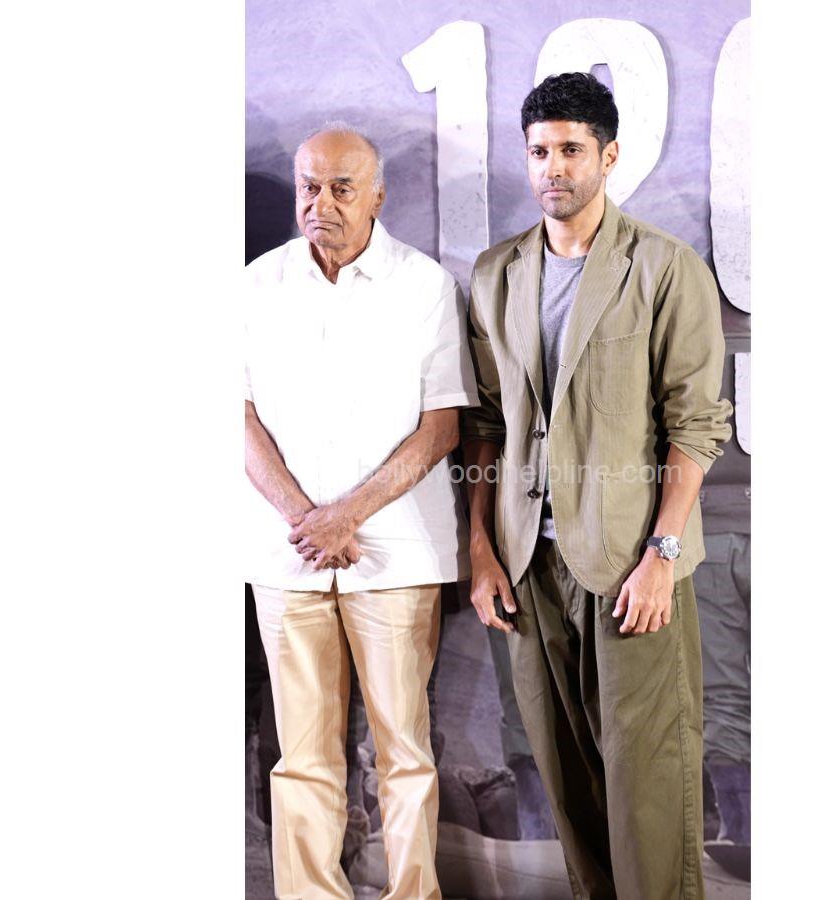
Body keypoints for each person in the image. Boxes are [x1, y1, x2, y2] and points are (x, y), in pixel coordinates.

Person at [462, 73, 733, 899]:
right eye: (540, 151)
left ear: (608, 157)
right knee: (567, 781)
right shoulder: (496, 274)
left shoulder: (664, 267)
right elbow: (485, 424)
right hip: (528, 567)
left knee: (647, 785)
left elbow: (696, 425)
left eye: (572, 150)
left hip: (628, 565)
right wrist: (482, 551)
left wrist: (662, 553)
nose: (553, 167)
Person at [244, 123, 477, 900]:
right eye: (309, 186)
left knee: (403, 752)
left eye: (342, 188)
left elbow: (441, 427)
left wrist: (346, 516)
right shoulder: (254, 286)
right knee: (302, 758)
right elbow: (236, 418)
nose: (322, 203)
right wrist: (307, 518)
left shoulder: (424, 286)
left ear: (378, 195)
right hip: (287, 558)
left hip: (395, 555)